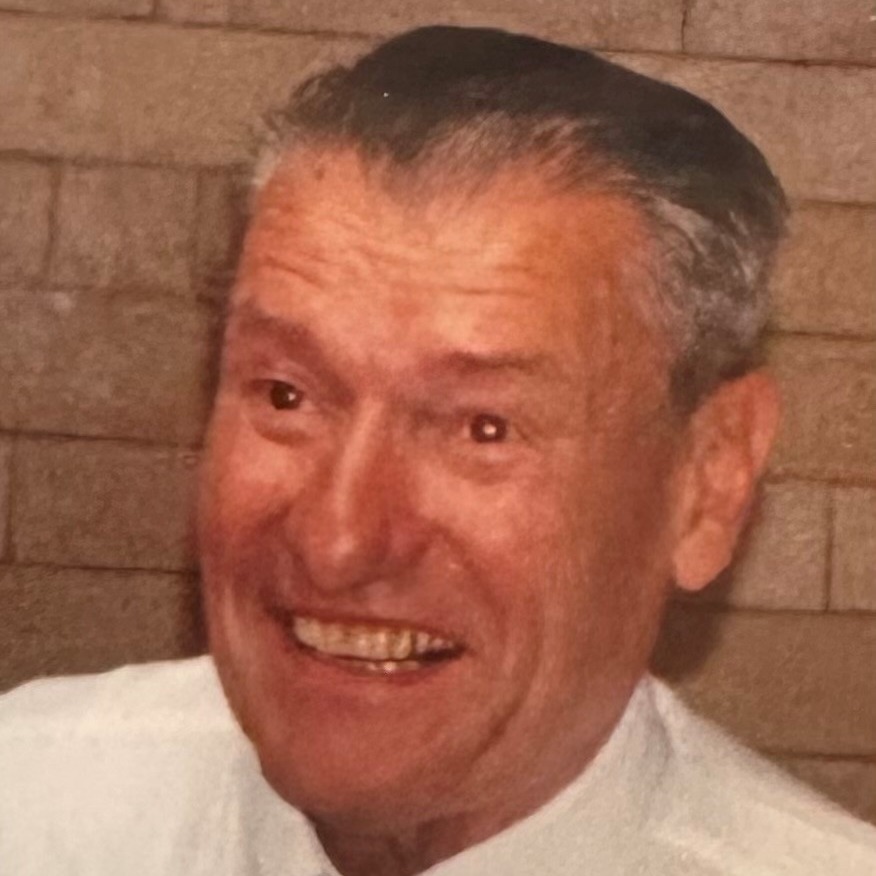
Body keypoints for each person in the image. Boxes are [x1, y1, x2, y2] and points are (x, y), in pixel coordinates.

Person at [1, 25, 875, 876]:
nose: (337, 541)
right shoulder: (31, 805)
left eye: (482, 427)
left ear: (707, 482)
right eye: (286, 395)